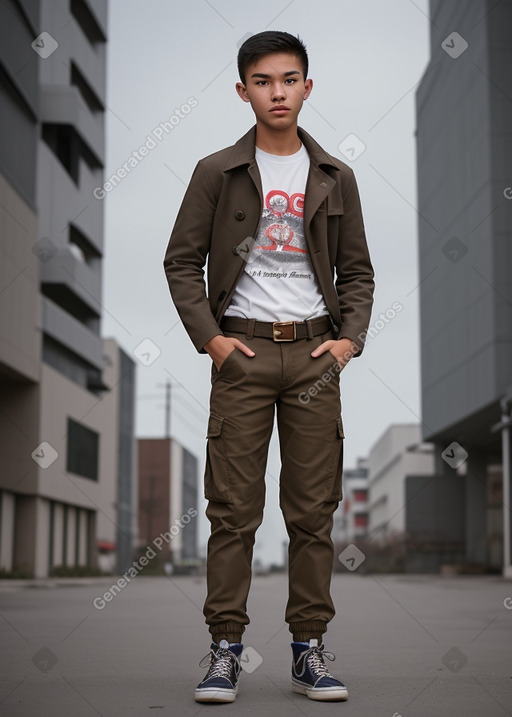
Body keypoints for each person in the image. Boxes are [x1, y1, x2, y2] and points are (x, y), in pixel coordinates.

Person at [163, 30, 374, 703]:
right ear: (243, 90)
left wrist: (349, 341)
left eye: (289, 80)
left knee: (314, 512)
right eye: (263, 80)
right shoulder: (214, 172)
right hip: (242, 356)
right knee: (233, 512)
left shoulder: (336, 176)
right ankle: (225, 650)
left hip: (315, 356)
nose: (277, 92)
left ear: (307, 88)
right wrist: (212, 341)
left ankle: (308, 651)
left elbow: (359, 272)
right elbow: (180, 262)